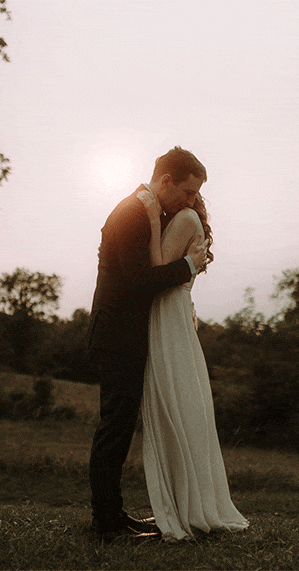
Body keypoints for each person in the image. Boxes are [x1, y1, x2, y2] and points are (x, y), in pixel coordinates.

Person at [87, 147, 209, 540]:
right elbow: (140, 280)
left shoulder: (147, 212)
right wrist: (189, 265)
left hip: (125, 334)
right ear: (167, 181)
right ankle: (105, 522)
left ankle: (115, 515)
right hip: (117, 335)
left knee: (120, 427)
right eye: (188, 193)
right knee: (114, 428)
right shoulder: (133, 213)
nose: (191, 203)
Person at [135, 183, 250, 542]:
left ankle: (188, 507)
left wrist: (153, 220)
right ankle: (190, 502)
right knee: (183, 405)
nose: (187, 199)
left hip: (168, 314)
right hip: (176, 313)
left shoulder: (184, 218)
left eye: (191, 193)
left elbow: (158, 268)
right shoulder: (188, 218)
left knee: (175, 406)